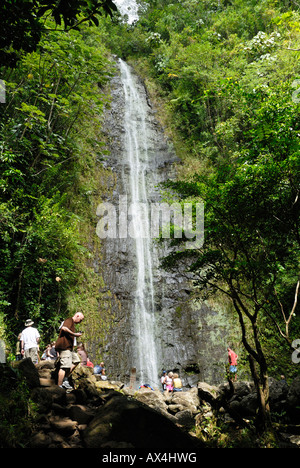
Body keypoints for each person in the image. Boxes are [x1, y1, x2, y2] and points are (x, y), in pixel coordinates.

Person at [54, 312, 84, 391]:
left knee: (76, 360)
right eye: (80, 320)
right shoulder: (69, 320)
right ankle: (59, 386)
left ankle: (66, 378)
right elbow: (64, 328)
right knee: (64, 367)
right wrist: (74, 334)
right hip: (64, 347)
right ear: (77, 316)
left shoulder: (72, 323)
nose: (80, 322)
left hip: (69, 348)